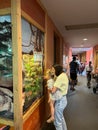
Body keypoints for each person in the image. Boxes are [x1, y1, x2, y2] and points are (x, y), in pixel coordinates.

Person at [51, 64, 69, 130]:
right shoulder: (63, 75)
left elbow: (53, 90)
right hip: (63, 99)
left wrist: (50, 87)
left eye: (53, 69)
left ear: (57, 70)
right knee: (61, 118)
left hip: (60, 101)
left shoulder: (60, 77)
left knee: (57, 122)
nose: (52, 71)